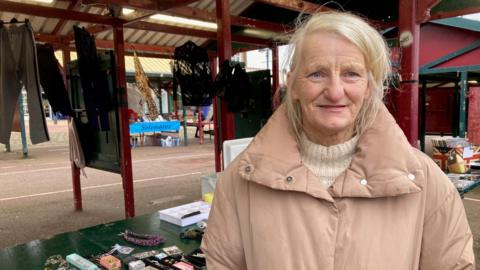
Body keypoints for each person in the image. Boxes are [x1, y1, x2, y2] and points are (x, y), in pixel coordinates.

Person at [201, 11, 475, 269]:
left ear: (369, 87)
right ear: (293, 84)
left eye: (351, 74)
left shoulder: (426, 185)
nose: (334, 91)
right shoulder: (239, 183)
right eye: (317, 73)